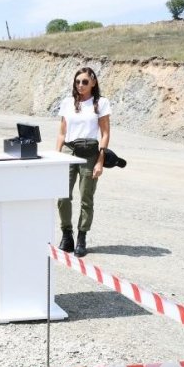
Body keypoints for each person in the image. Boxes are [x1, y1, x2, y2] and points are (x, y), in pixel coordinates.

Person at [56, 67, 111, 257]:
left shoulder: (101, 103)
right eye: (77, 81)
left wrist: (100, 161)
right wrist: (57, 156)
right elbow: (62, 133)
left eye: (85, 82)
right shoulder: (67, 103)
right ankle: (67, 234)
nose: (80, 85)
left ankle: (81, 237)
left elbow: (105, 134)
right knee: (63, 196)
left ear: (93, 83)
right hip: (69, 150)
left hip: (90, 152)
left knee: (86, 197)